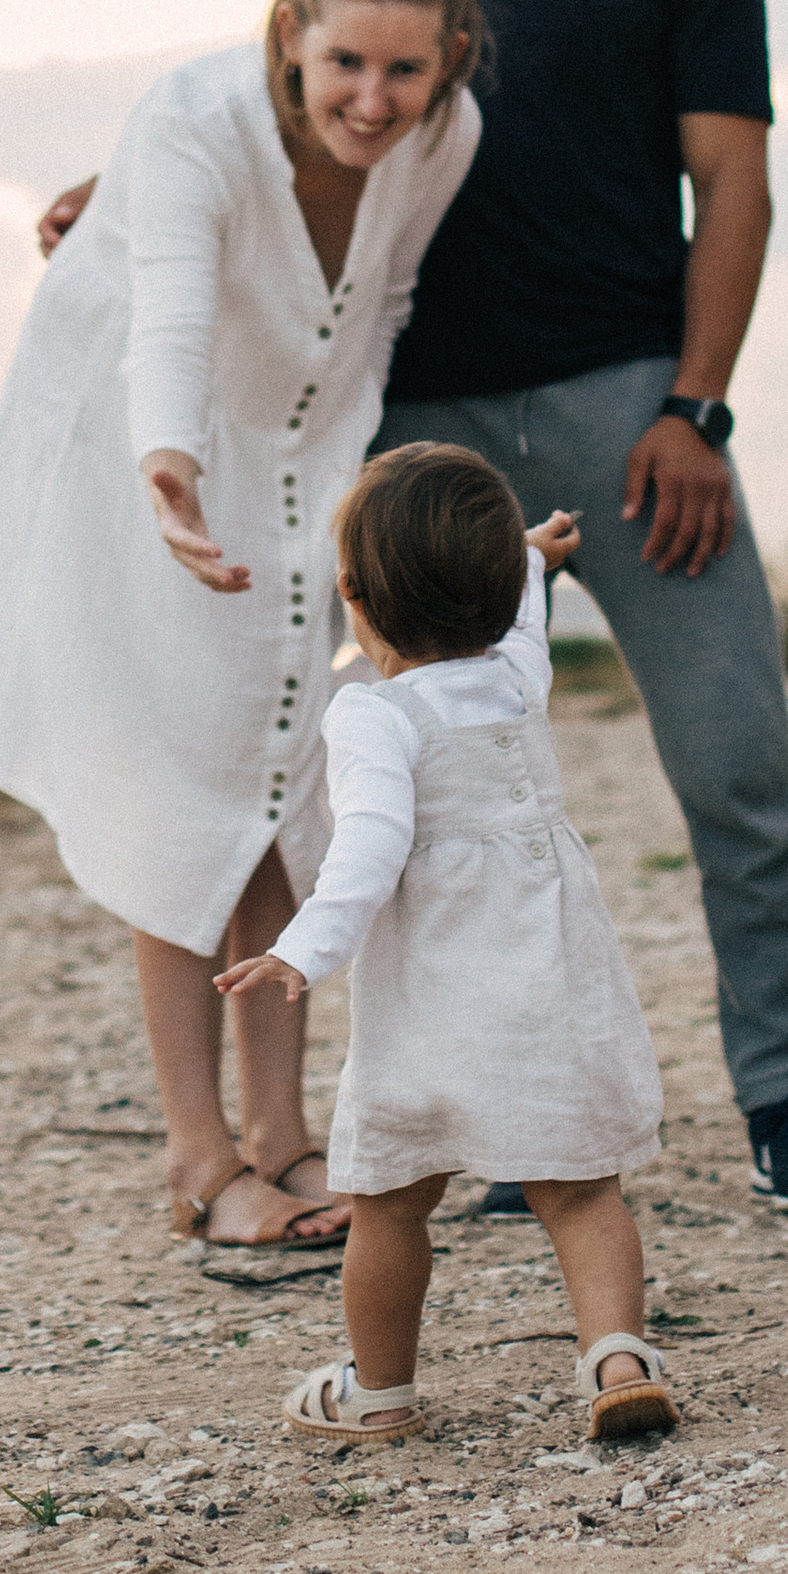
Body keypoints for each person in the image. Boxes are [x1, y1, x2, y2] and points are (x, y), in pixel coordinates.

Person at [41, 0, 788, 1219]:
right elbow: (298, 81)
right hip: (414, 425)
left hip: (633, 407)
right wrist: (132, 190)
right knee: (423, 795)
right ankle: (486, 1115)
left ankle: (787, 1097)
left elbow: (734, 184)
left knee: (737, 764)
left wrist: (699, 407)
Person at [0, 0, 485, 1256]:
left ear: (448, 62)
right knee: (179, 780)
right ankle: (202, 1159)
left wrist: (338, 482)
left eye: (403, 69)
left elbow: (378, 313)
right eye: (345, 65)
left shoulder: (446, 136)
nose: (371, 101)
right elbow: (171, 319)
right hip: (124, 453)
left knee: (281, 774)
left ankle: (288, 1134)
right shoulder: (196, 121)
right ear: (289, 38)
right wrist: (168, 464)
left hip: (294, 461)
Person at [217, 442, 678, 1447]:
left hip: (433, 1006)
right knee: (581, 1190)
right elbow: (514, 615)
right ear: (493, 589)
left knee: (387, 1203)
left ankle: (379, 1392)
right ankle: (616, 1354)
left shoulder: (372, 716)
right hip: (546, 982)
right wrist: (529, 562)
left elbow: (370, 846)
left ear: (352, 592)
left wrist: (303, 948)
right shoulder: (517, 680)